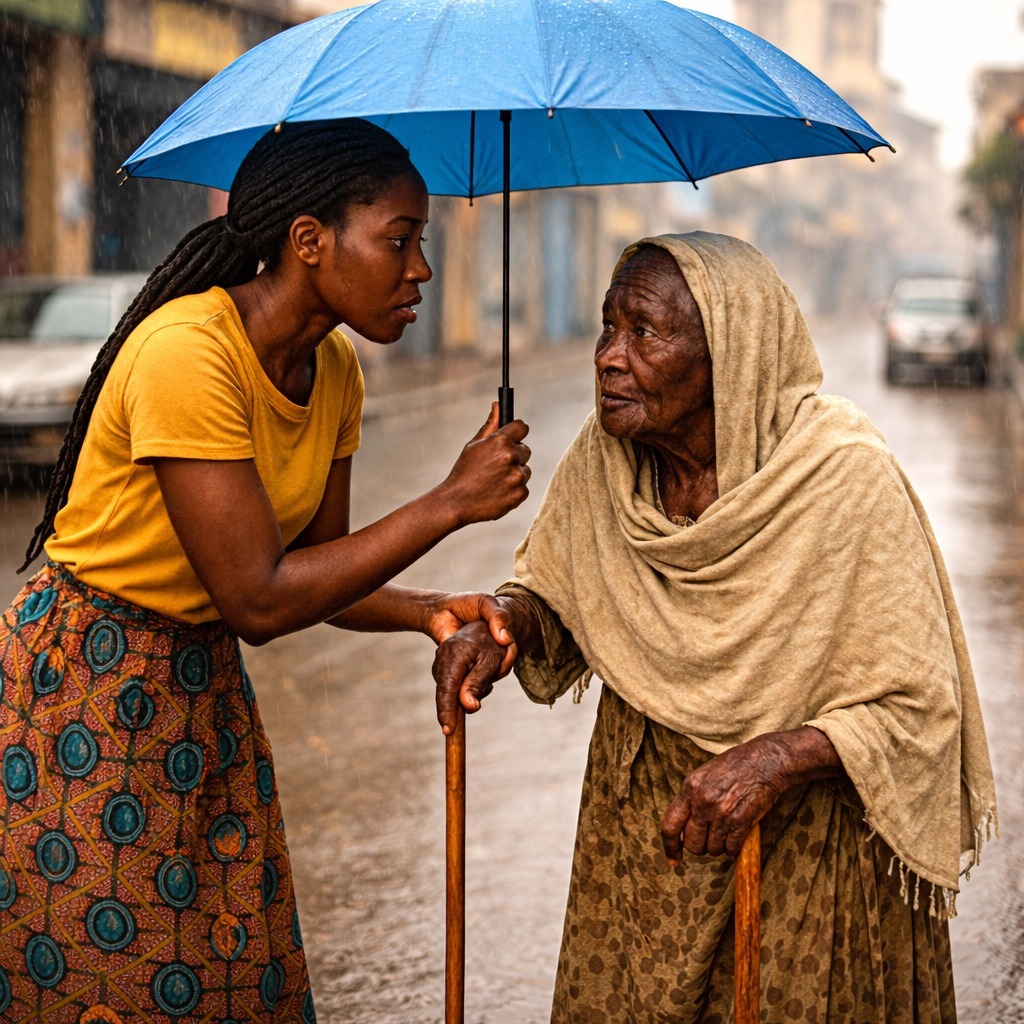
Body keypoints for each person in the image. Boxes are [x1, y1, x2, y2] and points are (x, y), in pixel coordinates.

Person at [0, 119, 528, 1023]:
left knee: (238, 973)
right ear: (310, 242)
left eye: (422, 245)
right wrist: (449, 501)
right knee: (112, 988)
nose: (421, 274)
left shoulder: (334, 373)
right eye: (398, 242)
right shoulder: (187, 354)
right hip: (87, 685)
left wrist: (426, 610)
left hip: (201, 691)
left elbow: (314, 572)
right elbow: (257, 597)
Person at [433, 231, 997, 1024]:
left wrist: (779, 756)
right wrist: (503, 628)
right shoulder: (606, 461)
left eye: (646, 332)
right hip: (647, 837)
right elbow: (556, 593)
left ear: (732, 353)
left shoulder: (841, 474)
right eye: (607, 325)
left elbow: (917, 704)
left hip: (806, 847)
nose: (608, 356)